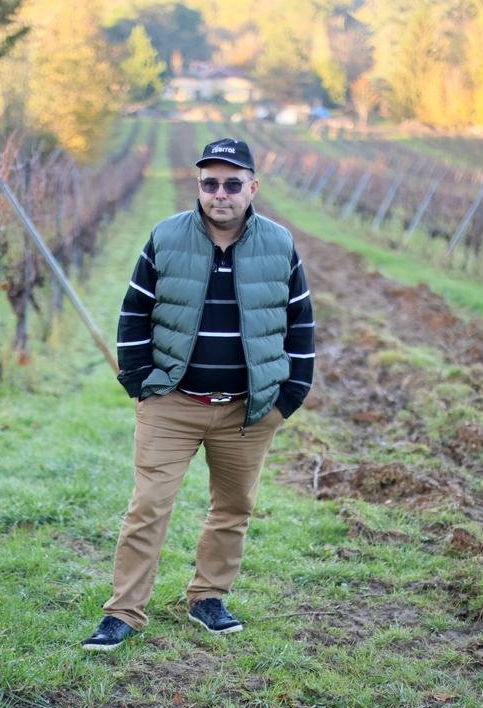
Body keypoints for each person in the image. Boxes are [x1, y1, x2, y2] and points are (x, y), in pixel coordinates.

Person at [82, 138, 315, 652]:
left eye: (233, 184)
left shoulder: (279, 244)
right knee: (148, 505)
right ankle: (123, 612)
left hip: (247, 410)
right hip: (173, 403)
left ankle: (208, 597)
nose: (221, 194)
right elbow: (134, 314)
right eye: (210, 183)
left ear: (252, 188)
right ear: (200, 187)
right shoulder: (166, 237)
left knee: (232, 508)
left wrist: (288, 397)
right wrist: (140, 384)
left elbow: (301, 325)